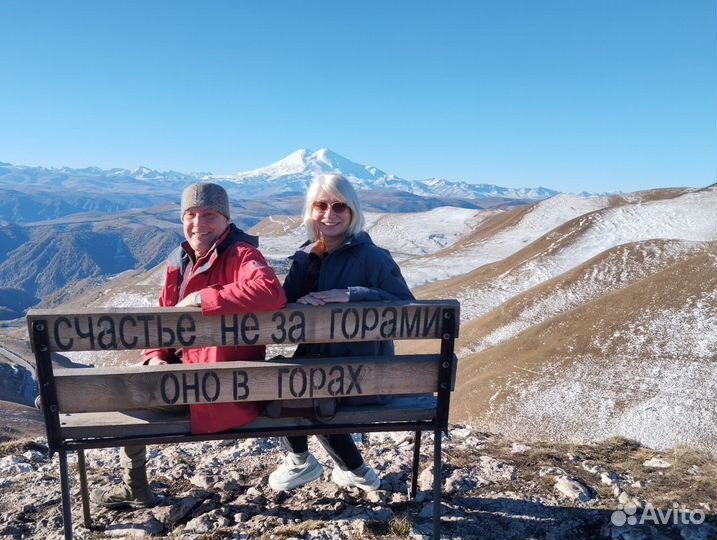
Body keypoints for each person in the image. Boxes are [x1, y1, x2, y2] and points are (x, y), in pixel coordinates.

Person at [92, 182, 287, 508]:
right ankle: (135, 486)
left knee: (122, 395)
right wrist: (155, 358)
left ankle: (134, 486)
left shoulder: (242, 254)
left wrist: (203, 297)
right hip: (192, 381)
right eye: (191, 215)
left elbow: (271, 291)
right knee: (130, 385)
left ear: (226, 219)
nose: (199, 224)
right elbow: (162, 324)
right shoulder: (178, 262)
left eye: (209, 214)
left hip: (223, 390)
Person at [268, 173, 414, 493]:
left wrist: (351, 294)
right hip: (325, 363)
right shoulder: (306, 256)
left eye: (339, 206)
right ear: (310, 210)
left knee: (305, 391)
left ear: (353, 212)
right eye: (321, 205)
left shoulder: (372, 256)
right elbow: (284, 304)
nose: (329, 214)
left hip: (364, 372)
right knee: (291, 385)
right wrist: (299, 303)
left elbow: (405, 304)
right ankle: (346, 470)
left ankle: (312, 464)